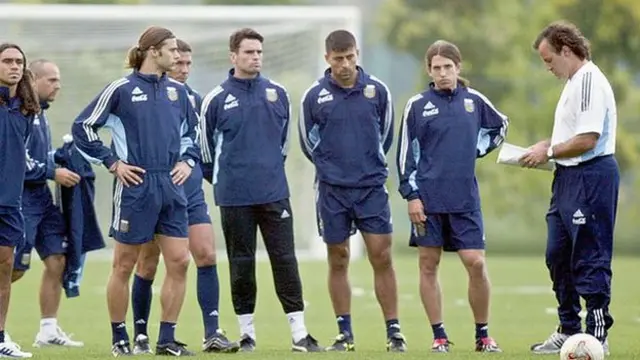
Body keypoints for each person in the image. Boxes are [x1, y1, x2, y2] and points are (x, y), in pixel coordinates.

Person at [71, 26, 199, 357]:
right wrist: (113, 162)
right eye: (171, 50)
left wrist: (187, 159)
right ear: (153, 51)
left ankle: (166, 339)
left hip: (171, 186)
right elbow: (83, 127)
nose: (178, 56)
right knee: (124, 265)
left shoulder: (178, 92)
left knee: (180, 262)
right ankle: (119, 338)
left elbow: (193, 133)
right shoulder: (121, 89)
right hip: (136, 186)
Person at [200, 27, 322, 353]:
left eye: (259, 52)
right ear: (233, 56)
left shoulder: (278, 93)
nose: (255, 57)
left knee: (285, 260)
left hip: (273, 193)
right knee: (241, 264)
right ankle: (247, 334)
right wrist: (228, 179)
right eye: (249, 52)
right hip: (234, 196)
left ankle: (300, 335)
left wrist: (264, 171)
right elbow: (206, 152)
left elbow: (282, 144)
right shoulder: (215, 99)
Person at [395, 40, 507, 353]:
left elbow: (500, 127)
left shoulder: (475, 101)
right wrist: (411, 195)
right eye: (437, 68)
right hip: (428, 201)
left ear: (458, 67)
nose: (443, 73)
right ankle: (439, 336)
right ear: (428, 70)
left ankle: (483, 335)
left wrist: (479, 148)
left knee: (475, 263)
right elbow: (405, 155)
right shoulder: (417, 105)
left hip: (464, 199)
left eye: (448, 67)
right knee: (428, 264)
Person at [298, 29, 406, 353]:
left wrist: (366, 163)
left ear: (357, 54)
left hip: (371, 187)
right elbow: (307, 142)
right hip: (332, 191)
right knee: (338, 257)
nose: (345, 64)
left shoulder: (377, 91)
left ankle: (394, 331)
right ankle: (345, 333)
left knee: (381, 255)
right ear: (327, 58)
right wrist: (334, 167)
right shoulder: (314, 96)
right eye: (338, 58)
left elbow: (385, 135)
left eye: (350, 57)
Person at [130, 38, 238, 354]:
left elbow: (200, 148)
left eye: (189, 64)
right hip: (155, 191)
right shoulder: (149, 96)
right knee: (148, 263)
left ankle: (212, 332)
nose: (184, 69)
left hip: (189, 193)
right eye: (180, 62)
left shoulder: (196, 101)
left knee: (205, 254)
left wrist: (205, 174)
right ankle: (139, 334)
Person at [522, 21, 617, 355]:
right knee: (557, 254)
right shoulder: (573, 83)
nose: (548, 68)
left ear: (566, 50)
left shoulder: (589, 79)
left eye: (549, 60)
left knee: (589, 256)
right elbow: (571, 137)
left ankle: (596, 332)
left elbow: (588, 139)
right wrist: (545, 146)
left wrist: (547, 151)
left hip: (591, 175)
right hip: (565, 178)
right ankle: (568, 328)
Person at [10, 59, 84, 348]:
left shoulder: (41, 113)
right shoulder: (18, 112)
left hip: (42, 200)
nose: (58, 85)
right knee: (13, 269)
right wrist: (53, 172)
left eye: (59, 79)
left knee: (58, 260)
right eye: (51, 80)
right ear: (34, 79)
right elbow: (17, 161)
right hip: (20, 202)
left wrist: (60, 158)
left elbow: (39, 154)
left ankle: (48, 330)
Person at [0, 42, 41, 358]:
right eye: (7, 61)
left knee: (4, 269)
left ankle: (0, 337)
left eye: (18, 62)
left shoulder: (26, 110)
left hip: (9, 203)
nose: (14, 66)